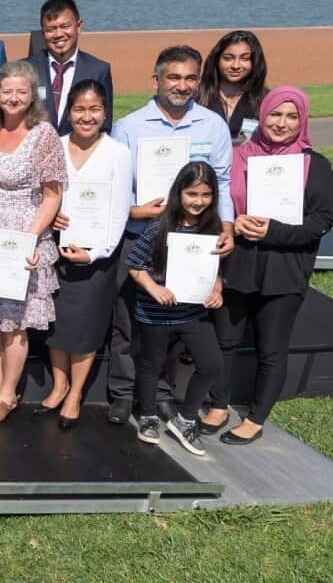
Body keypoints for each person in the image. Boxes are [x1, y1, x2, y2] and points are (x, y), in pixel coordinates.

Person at [107, 45, 235, 424]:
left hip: (192, 240)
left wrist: (226, 225)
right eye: (174, 77)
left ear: (199, 81)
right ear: (157, 80)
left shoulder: (212, 125)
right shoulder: (129, 127)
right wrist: (134, 210)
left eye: (190, 78)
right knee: (128, 321)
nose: (182, 85)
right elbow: (118, 185)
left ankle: (160, 392)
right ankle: (124, 391)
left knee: (172, 316)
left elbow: (223, 181)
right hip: (141, 233)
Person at [204, 86, 333, 444]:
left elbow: (322, 220)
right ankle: (218, 404)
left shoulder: (315, 164)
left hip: (284, 267)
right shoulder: (236, 157)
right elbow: (213, 204)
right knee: (225, 340)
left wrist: (273, 230)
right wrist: (234, 222)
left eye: (292, 116)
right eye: (275, 114)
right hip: (237, 261)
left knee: (271, 348)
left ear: (302, 120)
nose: (282, 123)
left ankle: (256, 417)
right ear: (262, 115)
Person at [0, 59, 67, 425]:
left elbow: (53, 195)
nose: (13, 97)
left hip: (25, 237)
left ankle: (8, 393)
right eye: (7, 91)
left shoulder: (44, 135)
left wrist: (30, 238)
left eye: (21, 91)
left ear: (32, 95)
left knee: (16, 323)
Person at [44, 80, 132, 428]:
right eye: (79, 109)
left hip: (96, 257)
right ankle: (58, 384)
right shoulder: (56, 146)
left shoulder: (118, 153)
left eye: (94, 109)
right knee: (55, 322)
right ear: (69, 111)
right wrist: (52, 217)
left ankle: (76, 392)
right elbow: (44, 194)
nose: (86, 116)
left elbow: (120, 210)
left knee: (86, 327)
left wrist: (97, 253)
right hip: (57, 249)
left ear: (105, 113)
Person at [127, 161, 225, 456]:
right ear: (179, 192)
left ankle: (185, 419)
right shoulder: (159, 226)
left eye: (205, 195)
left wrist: (217, 289)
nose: (198, 201)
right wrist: (154, 288)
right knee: (151, 364)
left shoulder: (213, 227)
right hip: (155, 312)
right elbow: (134, 264)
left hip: (192, 312)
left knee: (211, 364)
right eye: (192, 194)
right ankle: (146, 415)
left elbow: (216, 268)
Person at [25, 0, 114, 135]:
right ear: (43, 33)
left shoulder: (98, 70)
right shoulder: (25, 69)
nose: (58, 34)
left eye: (65, 26)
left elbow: (104, 126)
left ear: (79, 26)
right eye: (51, 29)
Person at [197, 30, 269, 145]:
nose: (236, 65)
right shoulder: (197, 96)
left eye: (244, 58)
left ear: (255, 61)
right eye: (228, 58)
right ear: (217, 59)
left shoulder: (266, 99)